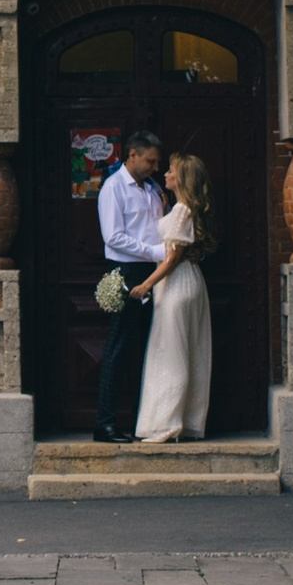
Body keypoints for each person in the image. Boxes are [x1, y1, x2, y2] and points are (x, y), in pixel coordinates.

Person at [132, 154, 216, 443]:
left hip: (177, 284)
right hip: (187, 281)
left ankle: (167, 425)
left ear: (182, 178)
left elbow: (171, 258)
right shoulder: (181, 209)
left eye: (171, 170)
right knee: (185, 351)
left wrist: (146, 284)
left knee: (170, 355)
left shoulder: (182, 211)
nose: (165, 173)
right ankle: (182, 420)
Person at [92, 129, 165, 442]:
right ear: (132, 155)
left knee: (149, 347)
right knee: (119, 347)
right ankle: (105, 423)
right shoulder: (113, 188)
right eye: (150, 161)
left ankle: (142, 421)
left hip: (155, 273)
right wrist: (155, 252)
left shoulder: (152, 188)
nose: (155, 167)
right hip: (127, 273)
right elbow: (113, 237)